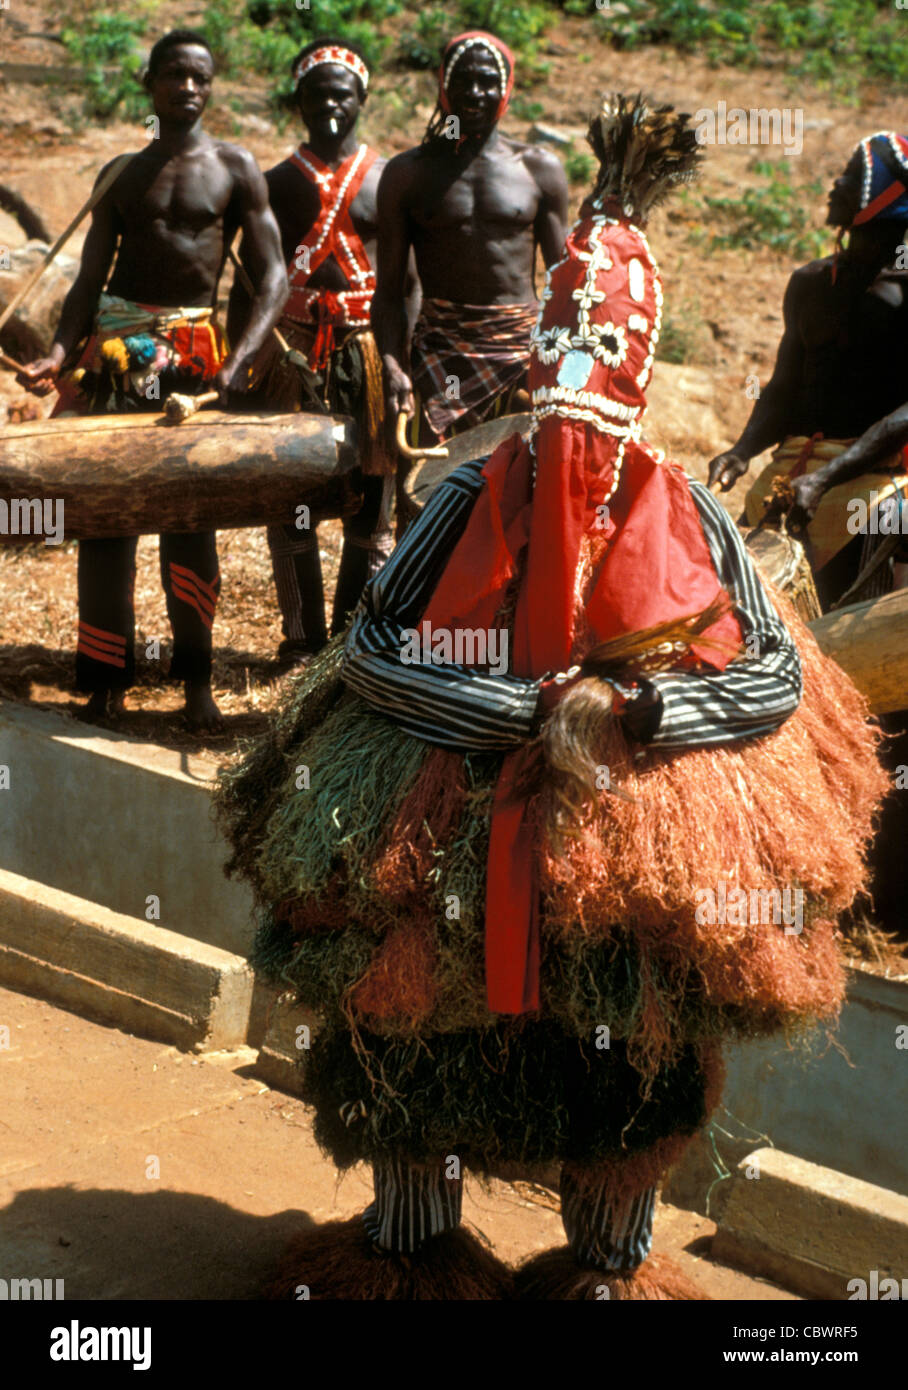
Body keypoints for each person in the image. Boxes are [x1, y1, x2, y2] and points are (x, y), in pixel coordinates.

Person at [216, 95, 885, 1299]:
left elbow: (770, 676)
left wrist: (637, 718)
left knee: (628, 1067)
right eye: (553, 416)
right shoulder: (471, 494)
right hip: (450, 842)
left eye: (596, 424)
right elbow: (371, 647)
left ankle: (606, 1269)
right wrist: (515, 715)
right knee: (420, 1050)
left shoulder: (690, 519)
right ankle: (411, 1251)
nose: (571, 455)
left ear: (631, 399)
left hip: (620, 859)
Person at [19, 30, 287, 729]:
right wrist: (57, 351)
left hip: (194, 362)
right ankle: (106, 681)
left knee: (189, 522)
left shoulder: (236, 168)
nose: (188, 88)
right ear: (151, 84)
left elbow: (275, 278)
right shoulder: (120, 174)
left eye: (201, 77)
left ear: (212, 85)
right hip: (115, 353)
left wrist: (240, 361)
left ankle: (195, 683)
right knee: (107, 519)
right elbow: (89, 279)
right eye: (175, 75)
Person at [229, 37, 405, 665]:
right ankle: (302, 640)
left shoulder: (388, 181)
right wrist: (241, 366)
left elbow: (404, 284)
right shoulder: (276, 183)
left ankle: (349, 642)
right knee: (292, 496)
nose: (332, 103)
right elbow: (250, 282)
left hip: (367, 350)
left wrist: (401, 360)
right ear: (299, 102)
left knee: (373, 490)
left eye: (344, 93)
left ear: (362, 100)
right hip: (293, 351)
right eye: (319, 93)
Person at [708, 132, 908, 610]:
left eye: (855, 177)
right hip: (791, 469)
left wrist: (828, 477)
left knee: (862, 586)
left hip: (873, 480)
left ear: (887, 198)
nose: (835, 184)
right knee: (735, 599)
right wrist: (742, 450)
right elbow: (782, 387)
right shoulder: (810, 282)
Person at [372, 29, 568, 449]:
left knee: (523, 483)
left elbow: (564, 281)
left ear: (507, 89)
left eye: (487, 82)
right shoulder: (408, 174)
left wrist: (570, 361)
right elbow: (389, 290)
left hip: (521, 350)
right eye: (462, 80)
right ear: (444, 86)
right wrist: (392, 363)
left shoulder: (539, 169)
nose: (474, 93)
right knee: (432, 484)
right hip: (442, 351)